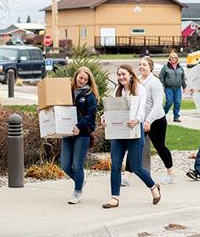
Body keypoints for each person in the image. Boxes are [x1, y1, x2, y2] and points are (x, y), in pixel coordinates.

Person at [102, 65, 161, 208]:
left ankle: (153, 187)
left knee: (136, 167)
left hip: (134, 131)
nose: (121, 77)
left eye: (124, 74)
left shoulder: (140, 89)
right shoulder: (118, 90)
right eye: (119, 75)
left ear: (130, 75)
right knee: (115, 165)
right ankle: (114, 198)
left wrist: (137, 120)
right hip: (118, 132)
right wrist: (105, 117)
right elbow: (111, 108)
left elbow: (141, 111)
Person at [123, 57, 176, 185]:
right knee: (134, 146)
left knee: (160, 147)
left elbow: (158, 105)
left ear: (150, 67)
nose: (141, 67)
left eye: (144, 65)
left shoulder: (155, 82)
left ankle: (171, 173)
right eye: (140, 64)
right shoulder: (137, 81)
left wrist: (148, 121)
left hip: (156, 120)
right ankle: (126, 177)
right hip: (140, 120)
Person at [62, 67, 99, 204]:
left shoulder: (90, 95)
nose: (82, 81)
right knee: (65, 166)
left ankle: (77, 192)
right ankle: (80, 180)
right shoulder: (68, 92)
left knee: (77, 165)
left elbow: (91, 116)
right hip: (67, 132)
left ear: (89, 80)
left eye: (85, 79)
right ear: (76, 76)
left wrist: (79, 126)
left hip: (82, 134)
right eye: (80, 78)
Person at [159, 52, 187, 123]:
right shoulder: (165, 67)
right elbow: (161, 76)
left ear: (177, 59)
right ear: (169, 58)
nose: (173, 59)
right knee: (169, 102)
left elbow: (183, 77)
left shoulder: (180, 67)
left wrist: (184, 87)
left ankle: (176, 117)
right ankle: (162, 115)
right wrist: (162, 85)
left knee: (177, 102)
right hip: (169, 88)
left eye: (175, 58)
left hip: (178, 88)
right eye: (172, 57)